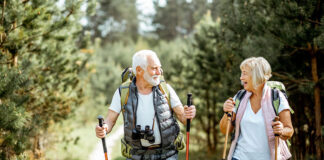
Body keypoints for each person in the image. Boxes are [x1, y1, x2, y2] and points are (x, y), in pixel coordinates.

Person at [95, 50, 196, 160]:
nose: (159, 72)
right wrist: (103, 128)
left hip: (168, 155)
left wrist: (189, 115)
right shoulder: (123, 92)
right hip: (136, 156)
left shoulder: (166, 89)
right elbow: (110, 120)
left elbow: (183, 117)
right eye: (154, 68)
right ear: (139, 70)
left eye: (159, 68)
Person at [219, 57, 294, 160]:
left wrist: (281, 130)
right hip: (239, 157)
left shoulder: (276, 97)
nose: (241, 78)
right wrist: (226, 112)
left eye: (244, 73)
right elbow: (224, 130)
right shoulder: (239, 97)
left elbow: (289, 130)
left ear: (256, 75)